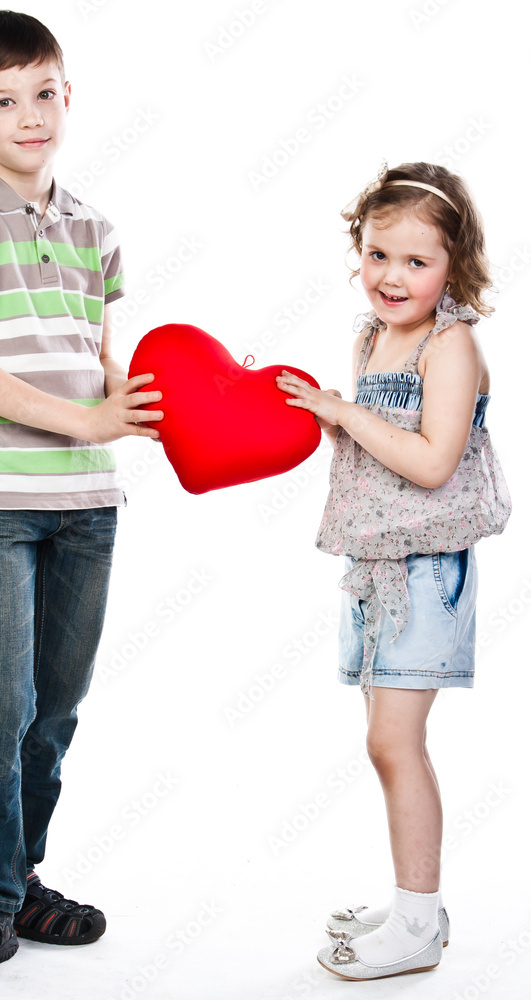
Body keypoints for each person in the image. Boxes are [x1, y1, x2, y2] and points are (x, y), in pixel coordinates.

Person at [0, 10, 163, 992]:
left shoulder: (95, 227)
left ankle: (19, 878)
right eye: (3, 99)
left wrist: (163, 408)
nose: (28, 114)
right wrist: (89, 423)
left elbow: (99, 359)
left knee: (56, 703)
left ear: (69, 96)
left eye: (44, 92)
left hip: (87, 502)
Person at [276, 162, 511, 981]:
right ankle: (418, 907)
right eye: (378, 255)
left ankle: (416, 921)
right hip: (377, 566)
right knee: (383, 741)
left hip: (424, 571)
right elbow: (374, 451)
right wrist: (323, 412)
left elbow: (434, 461)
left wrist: (347, 414)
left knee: (392, 741)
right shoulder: (371, 335)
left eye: (417, 261)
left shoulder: (449, 345)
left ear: (455, 265)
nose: (391, 276)